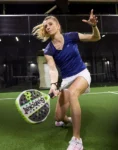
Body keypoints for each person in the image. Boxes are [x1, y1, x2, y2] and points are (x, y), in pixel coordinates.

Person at [32, 9, 101, 150]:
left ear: (58, 26)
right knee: (59, 118)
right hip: (66, 80)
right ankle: (69, 119)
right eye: (45, 26)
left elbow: (95, 38)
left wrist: (94, 26)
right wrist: (53, 85)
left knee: (73, 94)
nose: (47, 27)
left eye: (50, 24)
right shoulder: (48, 50)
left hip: (82, 74)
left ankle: (77, 140)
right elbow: (52, 69)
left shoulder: (72, 36)